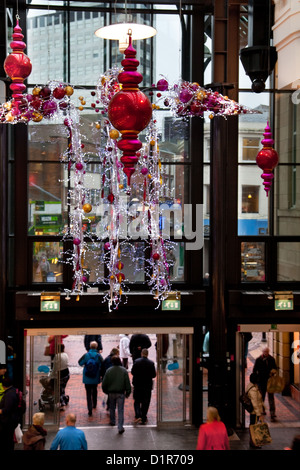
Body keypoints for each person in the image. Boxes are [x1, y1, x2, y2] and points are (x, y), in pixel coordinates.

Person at [102, 355, 131, 434]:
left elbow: (104, 383)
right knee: (120, 410)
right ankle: (120, 426)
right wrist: (128, 392)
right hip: (121, 393)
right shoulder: (123, 370)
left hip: (111, 392)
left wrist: (106, 391)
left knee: (112, 407)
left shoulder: (109, 370)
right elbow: (127, 383)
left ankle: (112, 421)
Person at [131, 348, 156, 424]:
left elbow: (132, 372)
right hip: (147, 385)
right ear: (147, 354)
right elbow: (153, 375)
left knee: (137, 400)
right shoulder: (151, 363)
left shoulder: (136, 362)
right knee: (146, 401)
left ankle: (138, 415)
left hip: (138, 384)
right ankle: (143, 417)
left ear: (141, 353)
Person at [78, 341, 103, 416]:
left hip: (87, 377)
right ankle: (94, 404)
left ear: (89, 346)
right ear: (96, 347)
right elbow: (102, 364)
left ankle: (90, 409)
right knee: (94, 390)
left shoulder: (86, 355)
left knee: (88, 393)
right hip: (95, 377)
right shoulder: (98, 356)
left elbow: (80, 363)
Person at [253, 347, 277, 420]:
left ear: (268, 352)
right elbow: (254, 370)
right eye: (264, 351)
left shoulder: (271, 359)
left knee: (271, 398)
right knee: (261, 397)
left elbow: (275, 368)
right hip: (261, 381)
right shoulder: (258, 360)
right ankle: (262, 410)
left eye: (267, 352)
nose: (265, 353)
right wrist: (256, 380)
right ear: (262, 352)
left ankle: (272, 413)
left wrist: (273, 372)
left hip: (269, 381)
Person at [0, 377, 19, 451]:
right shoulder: (13, 391)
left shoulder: (9, 395)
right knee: (8, 438)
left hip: (8, 421)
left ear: (3, 386)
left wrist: (0, 411)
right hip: (11, 420)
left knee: (7, 439)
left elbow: (7, 409)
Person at [246, 373, 265, 448]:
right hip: (255, 412)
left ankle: (253, 441)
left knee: (253, 426)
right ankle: (254, 442)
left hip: (254, 412)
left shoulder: (251, 386)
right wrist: (259, 414)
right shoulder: (253, 389)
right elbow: (255, 403)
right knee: (254, 427)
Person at [50, 344, 70, 409]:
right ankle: (64, 398)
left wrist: (51, 376)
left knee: (59, 389)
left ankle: (62, 403)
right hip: (66, 373)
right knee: (62, 388)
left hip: (60, 374)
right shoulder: (65, 354)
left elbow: (54, 368)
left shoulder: (57, 356)